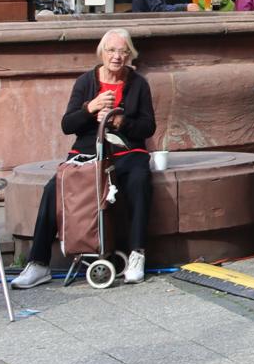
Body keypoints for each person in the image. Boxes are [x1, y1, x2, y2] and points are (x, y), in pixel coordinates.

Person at [12, 29, 156, 288]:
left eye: (123, 51)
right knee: (53, 188)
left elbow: (148, 127)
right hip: (88, 153)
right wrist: (91, 108)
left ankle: (137, 254)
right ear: (102, 53)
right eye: (111, 51)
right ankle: (38, 263)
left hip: (127, 152)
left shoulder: (139, 84)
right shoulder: (85, 83)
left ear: (130, 54)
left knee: (139, 181)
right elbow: (68, 125)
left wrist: (121, 121)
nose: (117, 57)